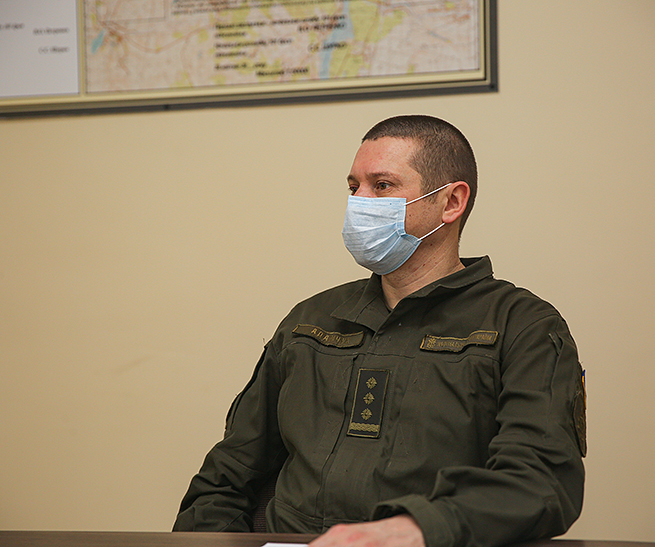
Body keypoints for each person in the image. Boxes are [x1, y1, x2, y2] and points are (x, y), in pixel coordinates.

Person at [173, 115, 587, 547]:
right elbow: (226, 478)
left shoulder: (523, 326)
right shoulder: (310, 320)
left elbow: (541, 483)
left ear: (451, 202)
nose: (359, 202)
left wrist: (418, 529)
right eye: (354, 187)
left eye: (382, 185)